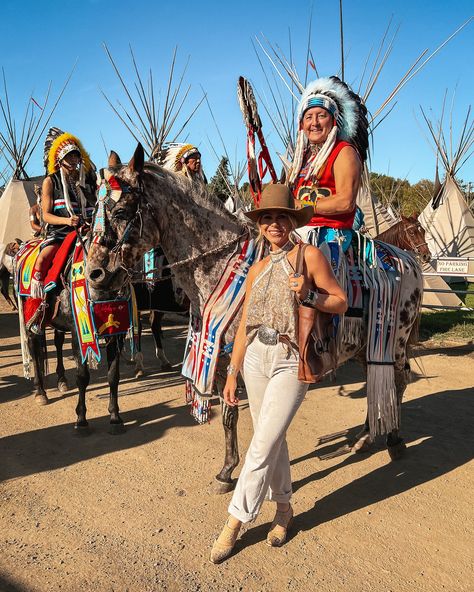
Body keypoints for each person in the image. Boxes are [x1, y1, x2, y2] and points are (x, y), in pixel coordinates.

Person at [209, 184, 348, 564]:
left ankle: (235, 521)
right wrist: (232, 372)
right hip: (255, 356)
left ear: (291, 221)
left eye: (280, 217)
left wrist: (309, 294)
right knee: (272, 441)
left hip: (291, 357)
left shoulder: (310, 256)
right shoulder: (255, 269)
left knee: (262, 443)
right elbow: (243, 327)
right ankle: (284, 509)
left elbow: (341, 301)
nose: (274, 223)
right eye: (267, 217)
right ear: (260, 225)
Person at [288, 76, 368, 252]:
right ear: (301, 124)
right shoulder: (302, 158)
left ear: (333, 121)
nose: (314, 123)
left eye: (321, 116)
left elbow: (345, 202)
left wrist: (303, 206)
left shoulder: (344, 152)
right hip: (295, 230)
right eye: (308, 117)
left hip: (330, 233)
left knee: (310, 270)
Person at [29, 132, 96, 331]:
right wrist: (67, 220)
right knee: (43, 259)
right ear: (60, 160)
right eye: (69, 157)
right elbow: (46, 215)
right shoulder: (51, 181)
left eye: (76, 155)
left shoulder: (87, 179)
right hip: (60, 233)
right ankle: (38, 308)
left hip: (87, 231)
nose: (74, 160)